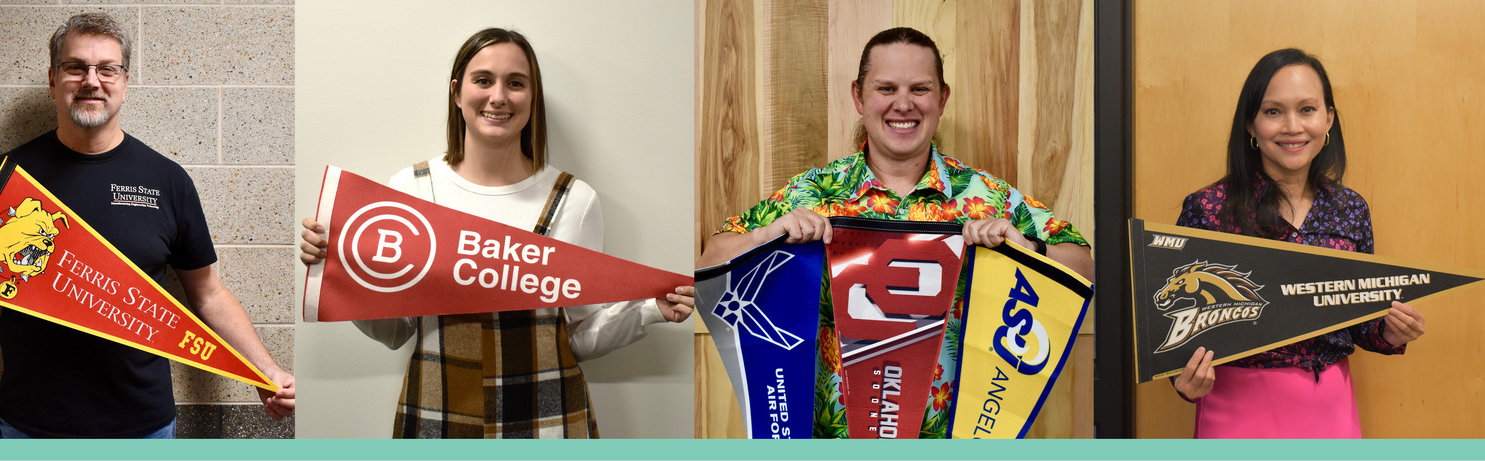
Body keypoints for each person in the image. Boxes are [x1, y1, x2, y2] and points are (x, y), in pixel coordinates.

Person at [295, 28, 696, 439]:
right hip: (437, 412)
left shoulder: (574, 200)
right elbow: (397, 331)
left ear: (532, 96)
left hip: (547, 417)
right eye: (483, 80)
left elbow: (575, 337)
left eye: (516, 83)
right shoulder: (413, 190)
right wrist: (338, 269)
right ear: (457, 92)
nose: (499, 96)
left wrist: (649, 311)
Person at [697, 27, 1092, 438]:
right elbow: (711, 260)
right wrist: (768, 236)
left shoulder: (985, 196)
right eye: (886, 87)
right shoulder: (815, 192)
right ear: (858, 97)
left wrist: (1027, 246)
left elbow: (1084, 264)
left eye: (920, 89)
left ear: (942, 99)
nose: (903, 104)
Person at [0, 13, 295, 439]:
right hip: (29, 425)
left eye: (107, 69)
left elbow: (208, 295)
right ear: (52, 79)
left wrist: (267, 371)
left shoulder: (167, 181)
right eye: (76, 67)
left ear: (125, 83)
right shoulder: (7, 174)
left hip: (142, 427)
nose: (91, 81)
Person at [1167, 48, 1425, 439]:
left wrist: (1389, 332)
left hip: (1332, 409)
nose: (1292, 126)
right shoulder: (1208, 211)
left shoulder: (1350, 209)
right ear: (1251, 125)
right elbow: (1172, 332)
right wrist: (1181, 380)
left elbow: (1357, 320)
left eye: (1307, 109)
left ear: (1328, 119)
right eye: (1273, 112)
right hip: (1236, 408)